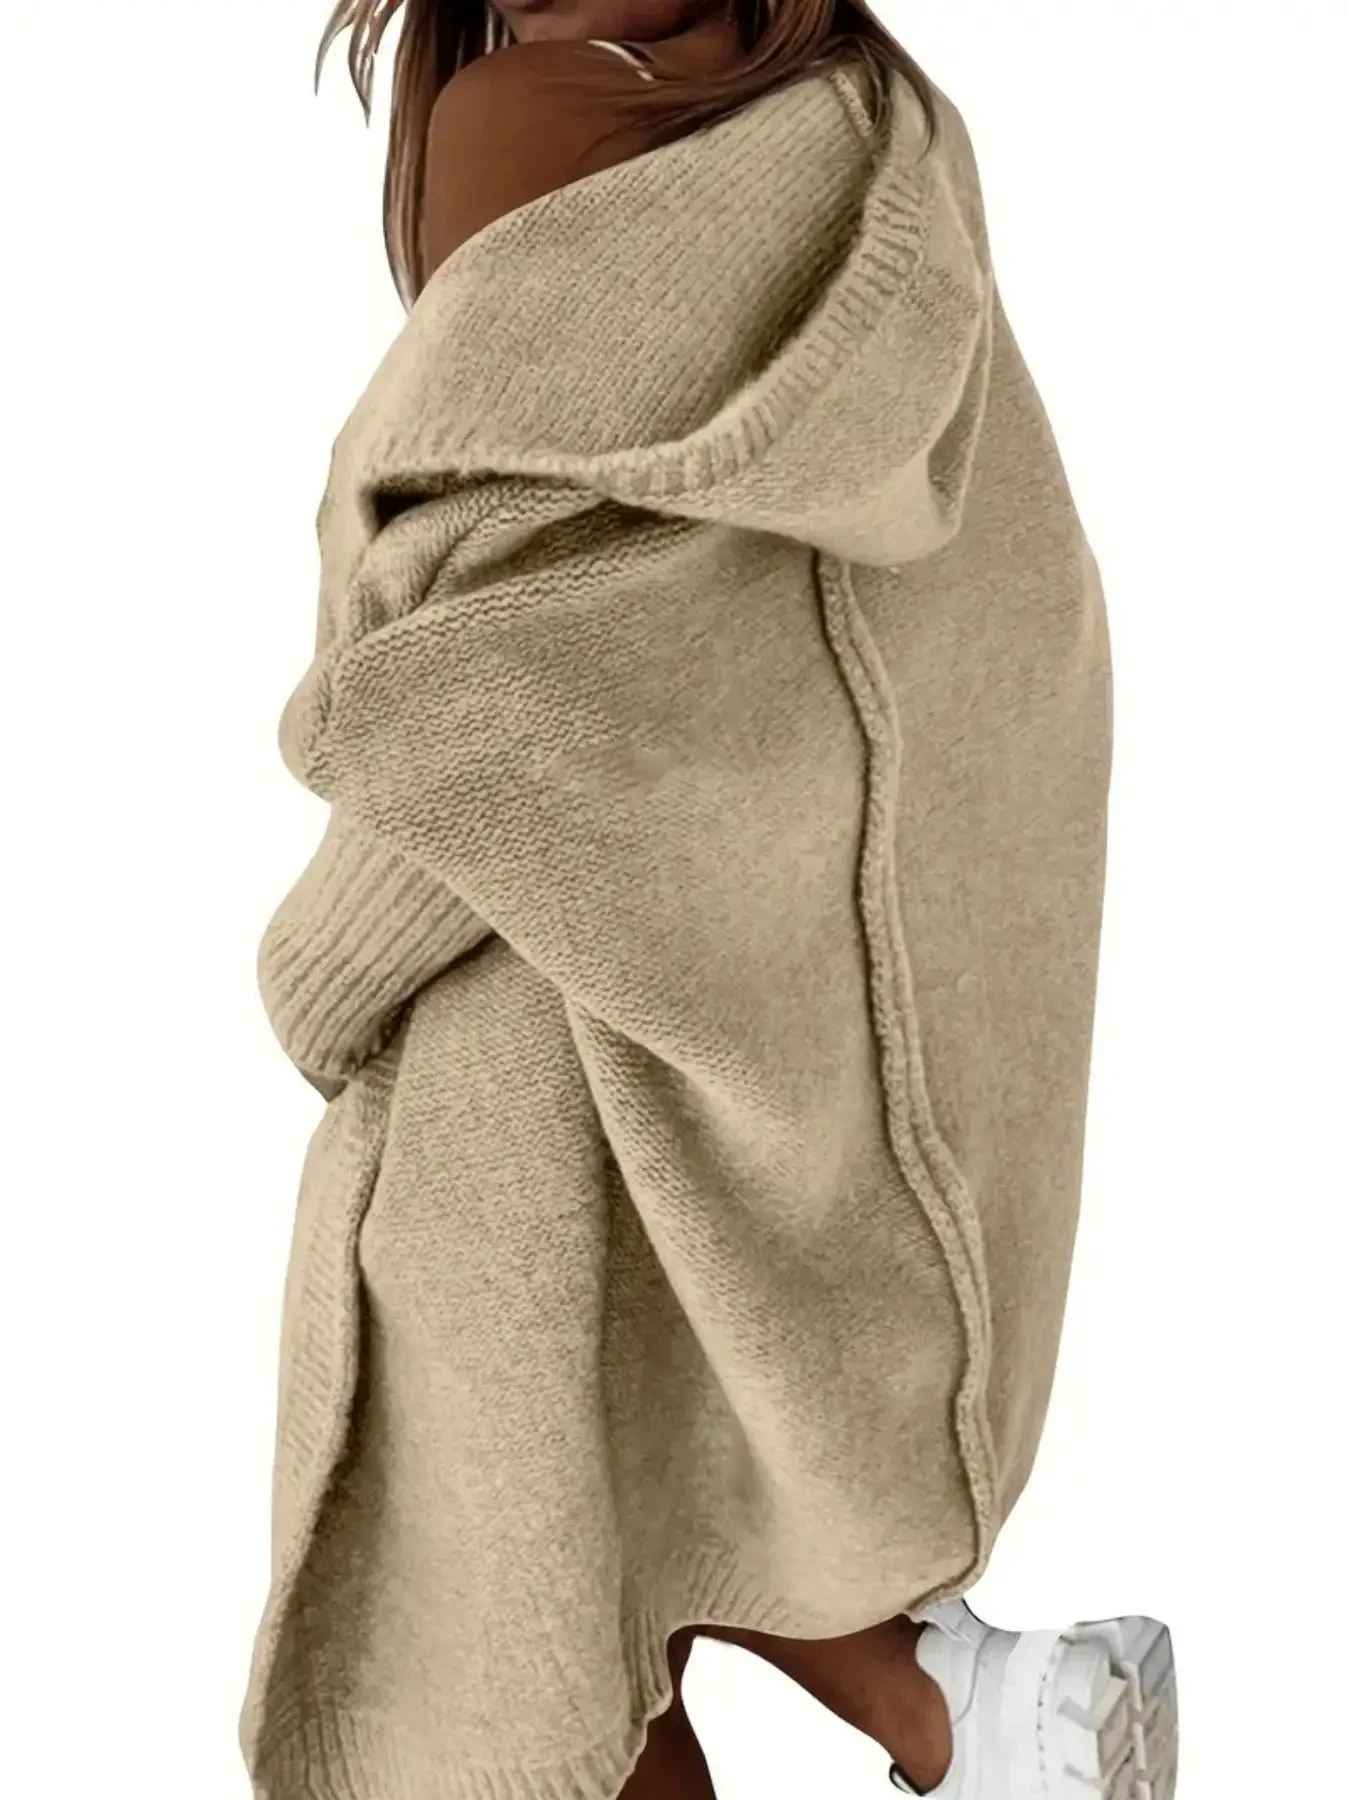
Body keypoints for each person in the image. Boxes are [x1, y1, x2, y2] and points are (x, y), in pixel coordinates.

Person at [238, 3, 1178, 1797]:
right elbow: (920, 623)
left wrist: (325, 962)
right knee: (612, 1493)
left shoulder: (530, 111)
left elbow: (506, 667)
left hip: (536, 983)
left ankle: (960, 1709)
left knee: (504, 1591)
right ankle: (960, 1706)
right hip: (732, 955)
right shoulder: (866, 132)